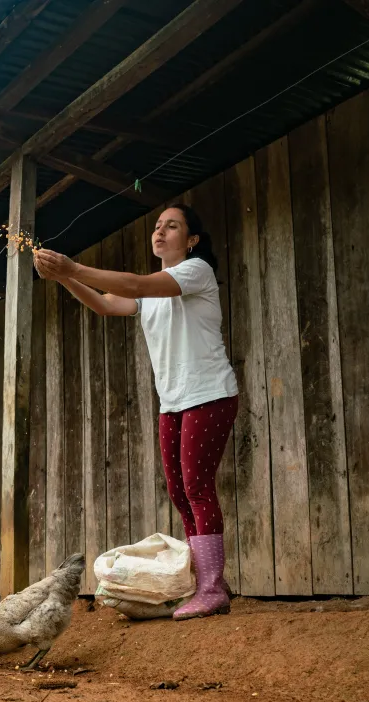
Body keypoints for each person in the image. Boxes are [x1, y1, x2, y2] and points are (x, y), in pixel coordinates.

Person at [33, 203, 239, 620]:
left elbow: (135, 283)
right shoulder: (150, 295)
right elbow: (107, 305)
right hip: (173, 401)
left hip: (210, 392)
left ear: (192, 239)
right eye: (158, 227)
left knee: (197, 487)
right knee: (180, 492)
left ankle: (213, 588)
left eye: (173, 226)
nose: (160, 232)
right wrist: (63, 277)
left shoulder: (195, 271)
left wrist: (73, 266)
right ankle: (206, 582)